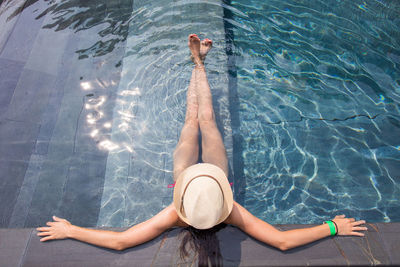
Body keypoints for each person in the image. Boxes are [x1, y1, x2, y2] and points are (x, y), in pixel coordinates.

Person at [37, 34, 367, 255]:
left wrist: (72, 230)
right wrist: (332, 226)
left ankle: (198, 62)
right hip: (215, 172)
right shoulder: (233, 212)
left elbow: (123, 242)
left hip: (189, 176)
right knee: (205, 121)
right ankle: (199, 63)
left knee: (191, 122)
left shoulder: (175, 214)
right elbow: (281, 242)